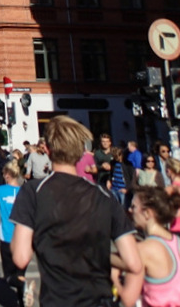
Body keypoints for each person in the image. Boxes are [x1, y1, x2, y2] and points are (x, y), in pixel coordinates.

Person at [11, 115, 142, 307]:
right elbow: (133, 263)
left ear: (47, 149)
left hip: (58, 300)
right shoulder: (104, 195)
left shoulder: (34, 191)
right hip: (101, 300)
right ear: (82, 152)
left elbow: (21, 257)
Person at [112, 186, 180, 307]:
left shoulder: (143, 249)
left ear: (147, 213)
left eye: (134, 207)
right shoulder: (176, 241)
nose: (129, 210)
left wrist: (115, 280)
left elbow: (128, 300)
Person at [0, 160, 27, 307]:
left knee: (9, 277)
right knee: (20, 274)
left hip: (7, 237)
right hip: (24, 239)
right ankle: (23, 301)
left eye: (3, 173)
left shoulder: (0, 190)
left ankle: (23, 288)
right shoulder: (26, 191)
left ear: (8, 175)